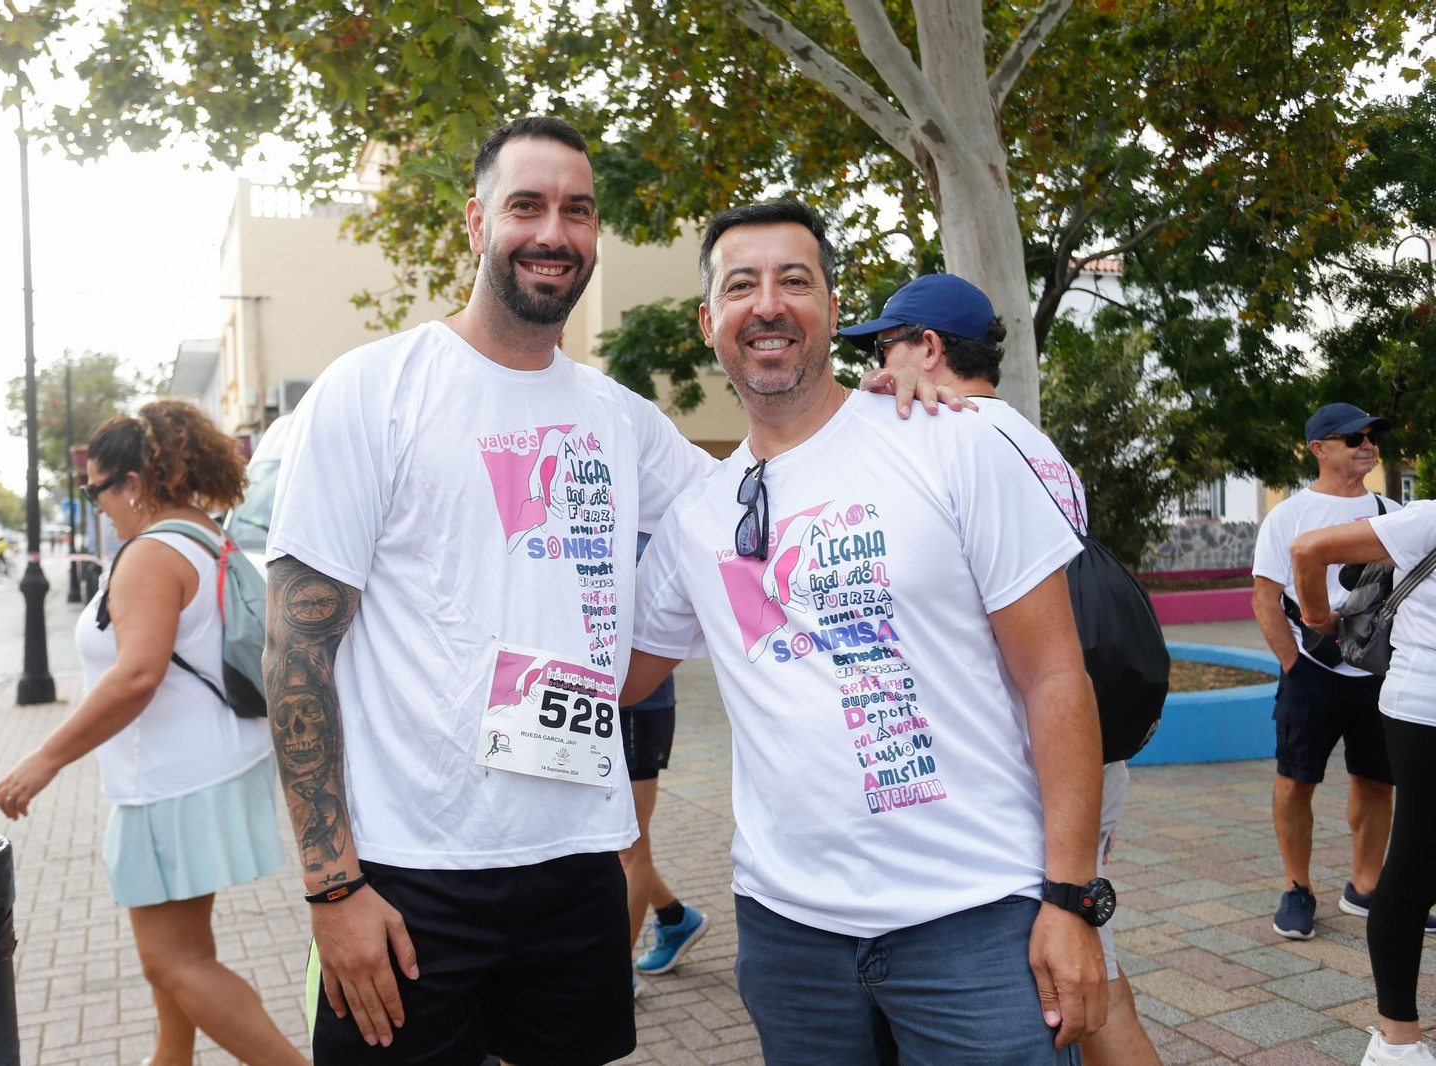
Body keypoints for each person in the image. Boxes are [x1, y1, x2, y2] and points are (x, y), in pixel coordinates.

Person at [262, 117, 968, 1066]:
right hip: (410, 874)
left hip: (579, 864)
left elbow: (769, 486)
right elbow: (296, 650)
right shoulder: (373, 390)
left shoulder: (620, 421)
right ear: (477, 223)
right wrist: (333, 888)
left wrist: (875, 407)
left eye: (578, 211)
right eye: (527, 206)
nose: (553, 232)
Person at [623, 201, 1110, 1065]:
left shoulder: (947, 444)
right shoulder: (699, 516)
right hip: (788, 937)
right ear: (711, 322)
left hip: (975, 918)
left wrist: (1069, 900)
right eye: (741, 285)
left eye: (794, 280)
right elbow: (618, 678)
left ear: (834, 310)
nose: (767, 304)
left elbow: (1055, 677)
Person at [849, 273, 1162, 1066]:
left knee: (1072, 995)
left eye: (886, 348)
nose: (875, 371)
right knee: (1092, 981)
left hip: (1018, 764)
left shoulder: (947, 437)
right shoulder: (1030, 438)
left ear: (929, 349)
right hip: (1082, 750)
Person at [0, 401, 305, 1066]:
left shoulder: (150, 554)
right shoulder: (202, 533)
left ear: (130, 483)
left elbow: (137, 676)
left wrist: (45, 759)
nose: (98, 505)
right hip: (217, 765)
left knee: (176, 963)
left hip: (171, 780)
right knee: (181, 953)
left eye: (96, 489)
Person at [1252, 403, 1403, 940]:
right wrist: (1293, 665)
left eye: (1372, 436)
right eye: (1353, 437)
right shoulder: (1289, 516)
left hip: (1379, 673)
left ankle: (1366, 887)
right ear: (1319, 449)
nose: (1368, 444)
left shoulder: (1390, 511)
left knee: (1377, 780)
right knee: (1295, 783)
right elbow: (1266, 598)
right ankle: (1298, 887)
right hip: (1311, 670)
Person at [1293, 502, 1436, 1066]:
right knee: (1415, 866)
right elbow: (1309, 549)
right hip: (1426, 711)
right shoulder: (1426, 520)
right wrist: (1314, 617)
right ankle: (1397, 1039)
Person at [621, 534, 709, 993]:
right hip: (584, 704)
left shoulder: (657, 529)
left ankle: (613, 979)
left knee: (629, 846)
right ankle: (675, 918)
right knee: (608, 844)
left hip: (639, 708)